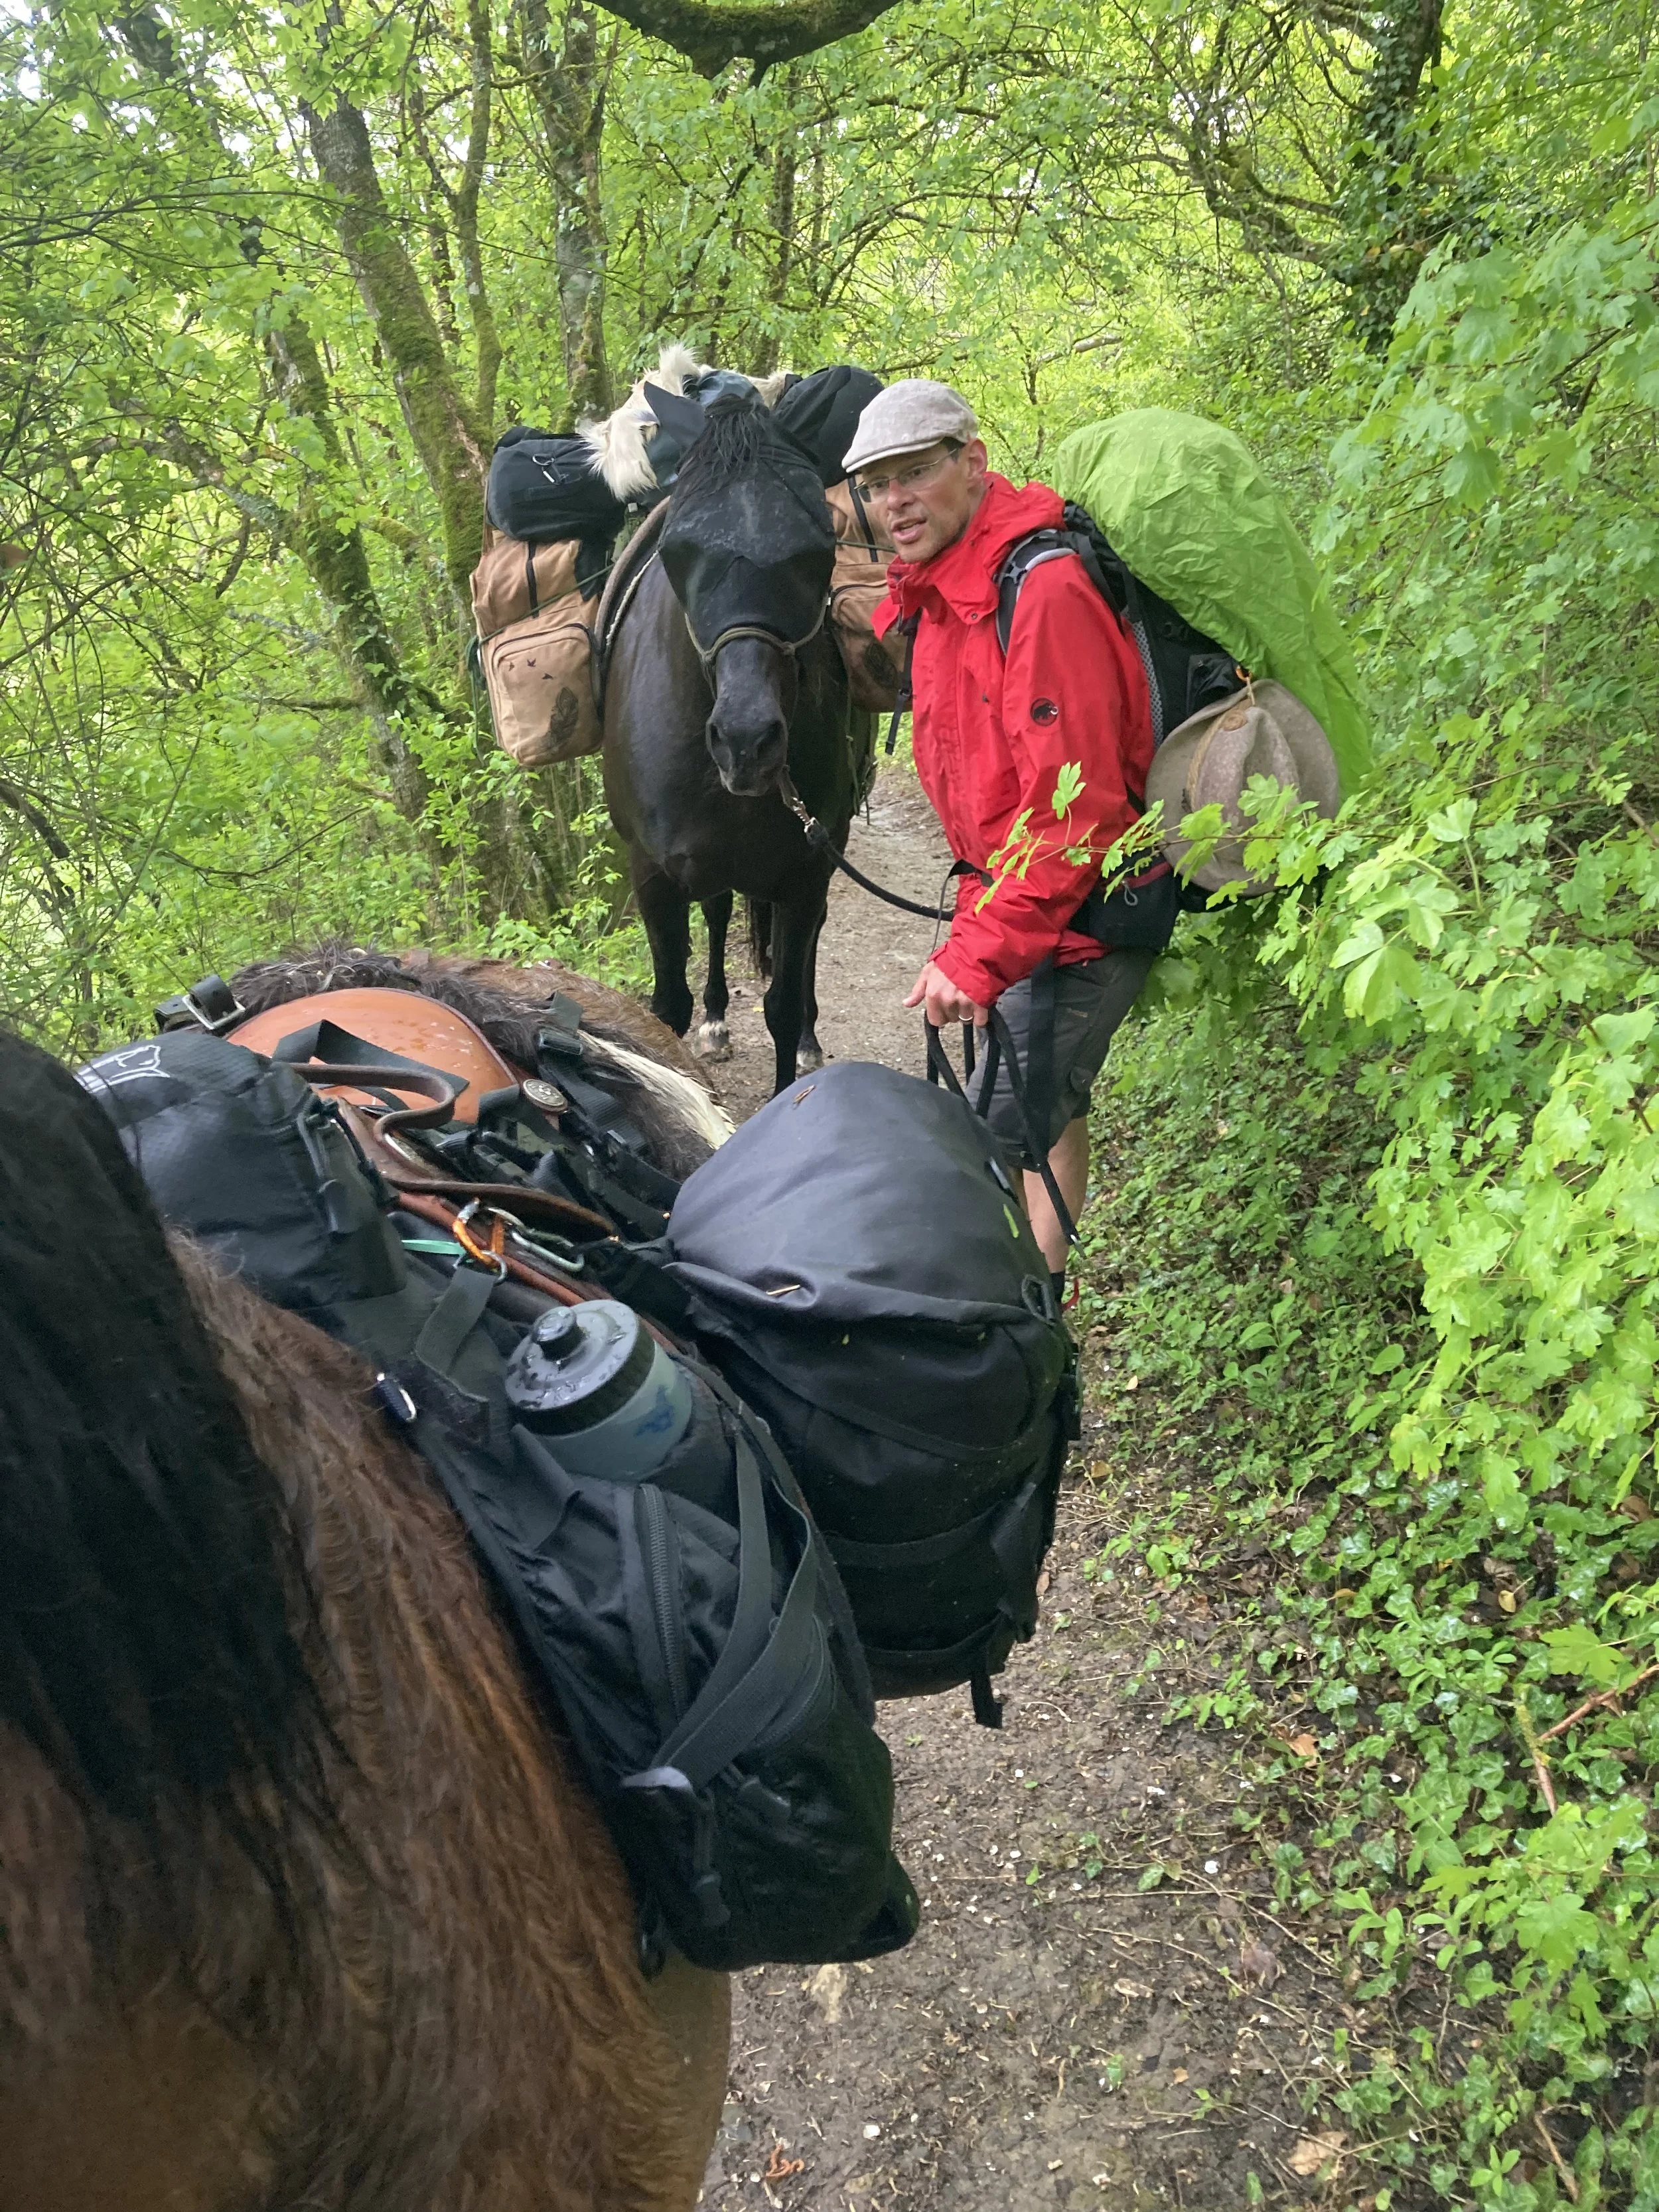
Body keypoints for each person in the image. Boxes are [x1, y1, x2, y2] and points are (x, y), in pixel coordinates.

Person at [843, 380, 1157, 1296]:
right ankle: (1039, 1310)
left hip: (1086, 911)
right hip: (1024, 900)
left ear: (971, 463)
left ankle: (1010, 1321)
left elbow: (1080, 812)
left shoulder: (1042, 588)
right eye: (875, 485)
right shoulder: (947, 592)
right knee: (1043, 1113)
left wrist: (979, 957)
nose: (893, 502)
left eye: (913, 475)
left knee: (990, 1140)